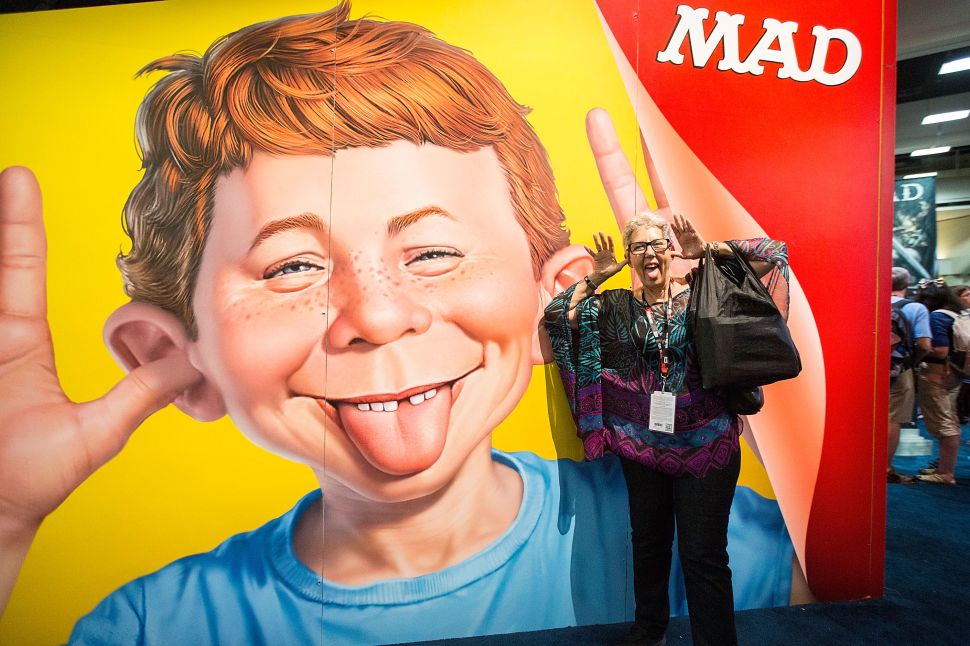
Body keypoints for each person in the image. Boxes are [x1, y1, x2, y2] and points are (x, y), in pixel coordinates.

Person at [0, 4, 795, 644]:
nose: (377, 318)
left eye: (436, 251)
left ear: (548, 296)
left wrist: (733, 315)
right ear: (173, 352)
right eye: (292, 267)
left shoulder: (750, 551)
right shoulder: (146, 629)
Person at [544, 212, 789, 646]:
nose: (650, 253)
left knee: (704, 556)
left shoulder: (704, 291)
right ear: (630, 257)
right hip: (643, 448)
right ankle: (649, 628)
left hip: (708, 447)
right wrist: (597, 278)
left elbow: (775, 254)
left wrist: (708, 250)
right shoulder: (616, 305)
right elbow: (559, 316)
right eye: (638, 247)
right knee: (649, 544)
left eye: (657, 243)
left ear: (672, 249)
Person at [913, 280, 964, 485]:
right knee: (949, 419)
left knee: (944, 422)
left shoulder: (936, 317)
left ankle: (945, 472)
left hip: (937, 372)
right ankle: (944, 467)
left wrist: (918, 351)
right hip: (954, 372)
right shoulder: (955, 314)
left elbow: (940, 349)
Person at [888, 267, 932, 483]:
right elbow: (925, 343)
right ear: (908, 284)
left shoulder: (871, 302)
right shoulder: (916, 308)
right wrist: (912, 362)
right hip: (899, 369)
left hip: (866, 370)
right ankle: (885, 468)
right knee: (892, 418)